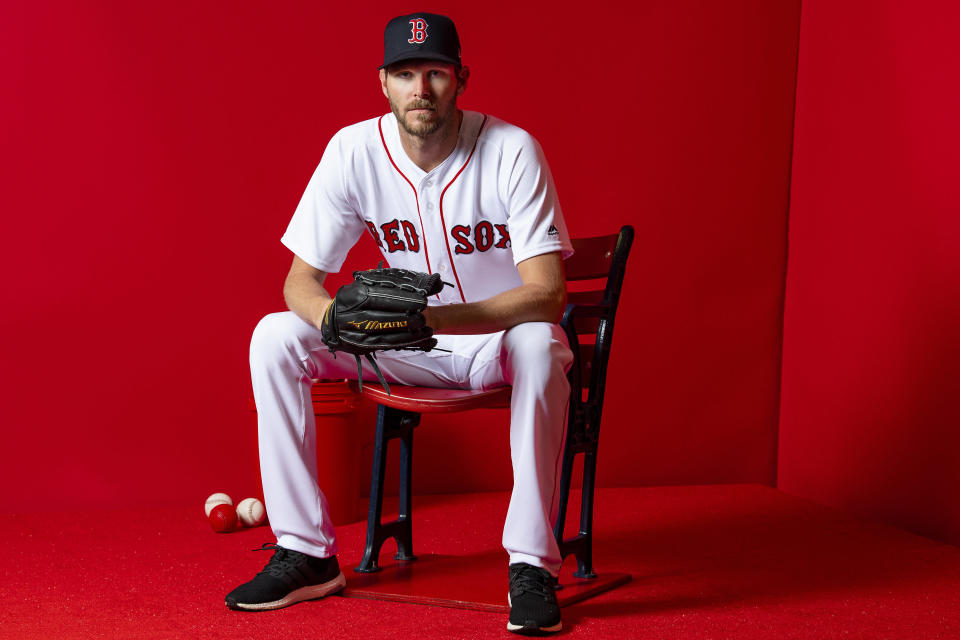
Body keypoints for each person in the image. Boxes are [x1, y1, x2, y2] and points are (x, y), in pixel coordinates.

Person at [225, 12, 574, 635]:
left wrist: (429, 316)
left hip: (494, 346)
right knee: (275, 334)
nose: (421, 89)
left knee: (542, 344)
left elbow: (547, 295)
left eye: (435, 73)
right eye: (405, 73)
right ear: (383, 82)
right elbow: (298, 282)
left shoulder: (512, 150)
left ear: (460, 78)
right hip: (401, 350)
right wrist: (339, 320)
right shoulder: (353, 150)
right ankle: (306, 552)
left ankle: (531, 566)